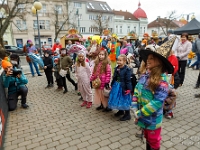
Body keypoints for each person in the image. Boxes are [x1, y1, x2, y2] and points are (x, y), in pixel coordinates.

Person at [132, 37, 175, 150]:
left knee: (153, 142)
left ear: (159, 62)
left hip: (153, 120)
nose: (147, 60)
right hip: (143, 117)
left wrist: (140, 112)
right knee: (147, 138)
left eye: (151, 58)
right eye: (148, 58)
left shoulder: (162, 80)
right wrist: (134, 104)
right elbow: (137, 89)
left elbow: (157, 102)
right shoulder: (145, 76)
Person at [108, 54, 132, 121]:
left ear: (124, 61)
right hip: (116, 86)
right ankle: (121, 110)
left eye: (120, 60)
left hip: (123, 87)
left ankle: (127, 114)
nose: (118, 61)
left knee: (124, 100)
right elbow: (114, 78)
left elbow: (128, 80)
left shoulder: (127, 69)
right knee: (118, 99)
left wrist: (129, 89)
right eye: (118, 60)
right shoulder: (117, 68)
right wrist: (112, 84)